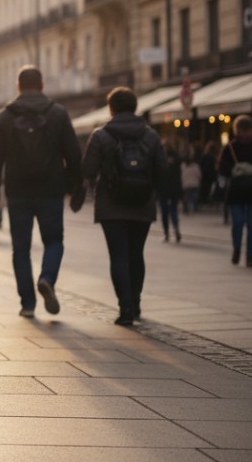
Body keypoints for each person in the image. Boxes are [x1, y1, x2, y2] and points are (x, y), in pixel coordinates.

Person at [0, 65, 82, 318]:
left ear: (18, 87)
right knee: (53, 241)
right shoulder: (58, 114)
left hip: (18, 191)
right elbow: (73, 153)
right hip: (51, 189)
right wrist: (75, 187)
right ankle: (47, 277)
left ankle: (27, 303)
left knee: (21, 248)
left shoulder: (5, 116)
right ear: (41, 85)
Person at [80, 86, 166, 326]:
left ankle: (125, 308)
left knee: (118, 256)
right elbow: (163, 170)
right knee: (136, 254)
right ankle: (136, 302)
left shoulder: (100, 135)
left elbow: (87, 170)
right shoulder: (151, 135)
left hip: (111, 204)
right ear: (135, 107)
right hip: (142, 203)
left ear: (111, 108)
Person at [217, 115, 252, 268]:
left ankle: (249, 255)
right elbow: (222, 168)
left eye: (247, 131)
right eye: (242, 131)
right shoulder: (231, 147)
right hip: (237, 192)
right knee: (238, 223)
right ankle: (237, 248)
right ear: (237, 131)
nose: (244, 134)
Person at [157, 144, 183, 243]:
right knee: (173, 210)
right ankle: (175, 229)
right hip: (174, 189)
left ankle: (167, 233)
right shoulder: (177, 159)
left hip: (164, 189)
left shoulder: (161, 160)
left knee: (165, 212)